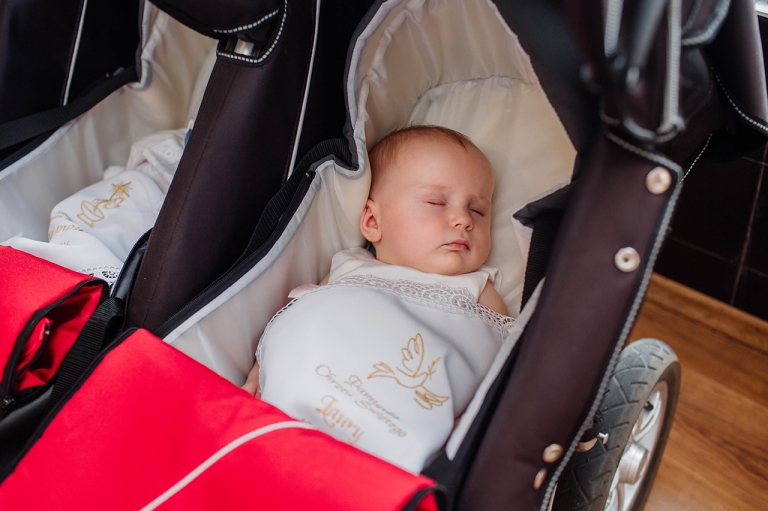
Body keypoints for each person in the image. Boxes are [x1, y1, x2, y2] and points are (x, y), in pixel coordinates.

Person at [242, 125, 513, 472]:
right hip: (306, 399)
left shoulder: (478, 289)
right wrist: (261, 370)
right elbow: (299, 323)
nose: (463, 220)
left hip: (399, 430)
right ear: (372, 221)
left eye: (478, 211)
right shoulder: (349, 265)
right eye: (436, 203)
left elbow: (496, 368)